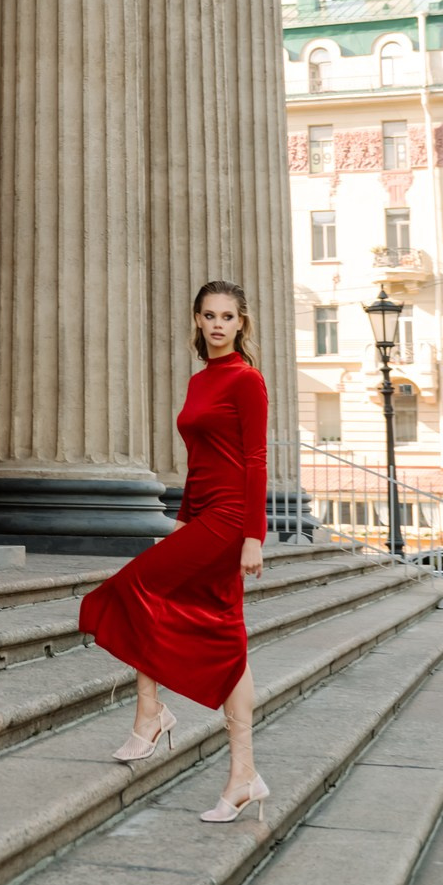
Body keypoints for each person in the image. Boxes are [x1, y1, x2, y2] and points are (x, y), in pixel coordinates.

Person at [77, 281, 270, 823]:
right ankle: (243, 776)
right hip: (204, 514)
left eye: (227, 317)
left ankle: (151, 714)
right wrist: (182, 521)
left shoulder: (247, 381)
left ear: (241, 325)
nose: (217, 325)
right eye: (208, 315)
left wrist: (253, 534)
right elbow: (200, 459)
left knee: (132, 586)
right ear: (196, 320)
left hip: (232, 518)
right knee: (226, 629)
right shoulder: (199, 380)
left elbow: (254, 459)